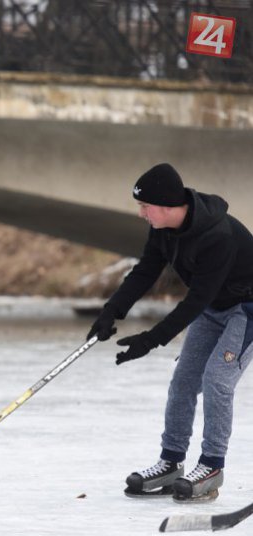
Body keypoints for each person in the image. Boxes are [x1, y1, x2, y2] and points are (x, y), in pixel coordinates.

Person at [87, 163, 253, 502]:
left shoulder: (216, 236)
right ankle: (171, 461)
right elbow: (146, 270)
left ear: (166, 206)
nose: (141, 214)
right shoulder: (163, 229)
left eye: (145, 207)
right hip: (213, 308)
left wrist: (151, 339)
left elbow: (195, 302)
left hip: (246, 309)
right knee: (183, 383)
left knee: (217, 380)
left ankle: (211, 467)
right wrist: (111, 310)